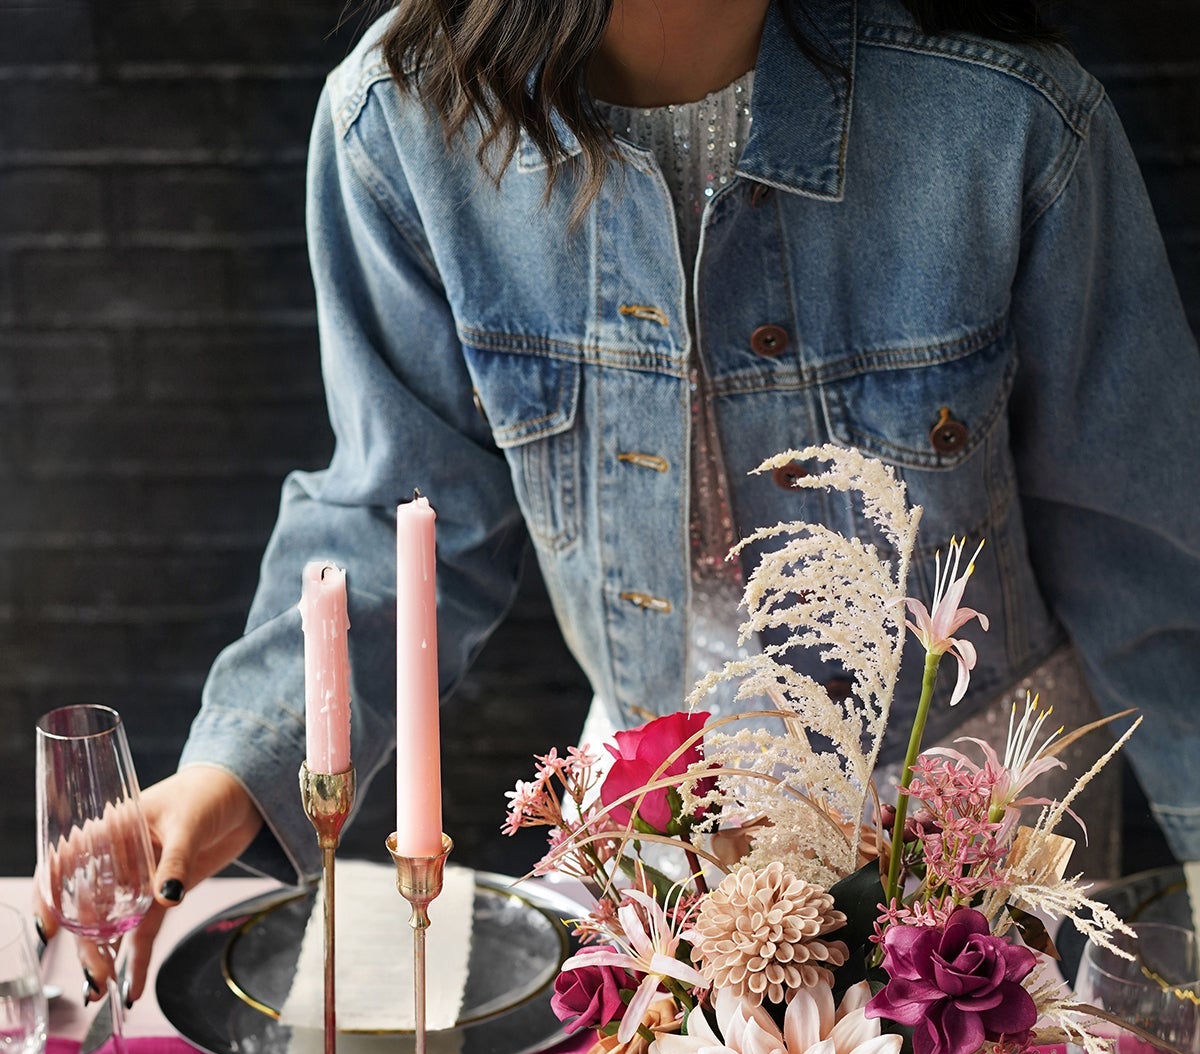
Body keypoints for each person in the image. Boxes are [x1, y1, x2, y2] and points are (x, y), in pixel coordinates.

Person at [60, 0, 1200, 999]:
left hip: (974, 832)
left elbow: (1145, 550)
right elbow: (398, 516)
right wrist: (238, 767)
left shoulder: (1007, 113)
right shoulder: (403, 121)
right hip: (659, 826)